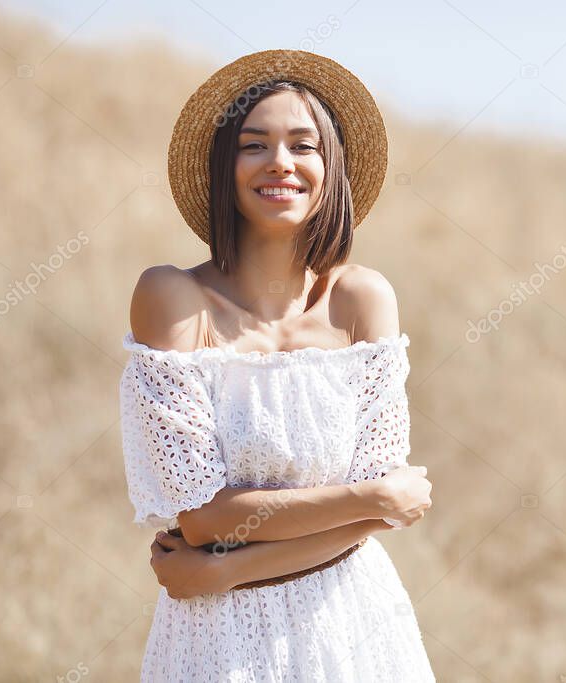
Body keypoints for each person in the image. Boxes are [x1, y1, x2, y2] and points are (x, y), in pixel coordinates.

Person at [118, 50, 436, 681]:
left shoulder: (362, 299)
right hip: (218, 638)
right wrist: (367, 497)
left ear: (331, 166)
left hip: (354, 626)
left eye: (303, 145)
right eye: (254, 144)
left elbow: (378, 515)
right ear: (224, 167)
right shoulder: (171, 297)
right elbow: (204, 516)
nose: (280, 163)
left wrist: (225, 569)